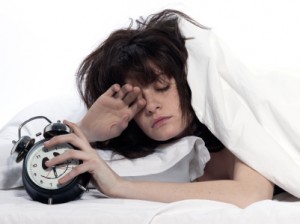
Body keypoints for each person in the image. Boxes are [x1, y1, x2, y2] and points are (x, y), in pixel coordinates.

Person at [44, 9, 274, 208]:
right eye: (135, 100)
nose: (152, 106)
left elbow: (252, 194)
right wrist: (85, 131)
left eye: (162, 86)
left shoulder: (233, 118)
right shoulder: (137, 152)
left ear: (188, 82)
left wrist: (119, 186)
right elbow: (15, 170)